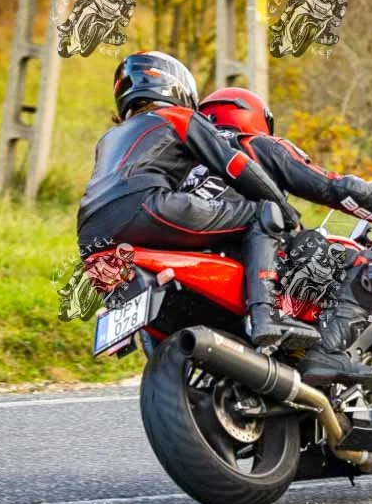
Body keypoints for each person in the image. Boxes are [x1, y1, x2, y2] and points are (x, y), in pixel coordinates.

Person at [198, 87, 372, 386]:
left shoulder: (191, 162)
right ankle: (327, 352)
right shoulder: (255, 145)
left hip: (211, 260)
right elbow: (340, 188)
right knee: (367, 267)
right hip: (262, 258)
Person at [76, 52, 315, 349]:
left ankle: (146, 334)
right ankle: (265, 316)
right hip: (145, 206)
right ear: (177, 86)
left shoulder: (109, 139)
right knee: (260, 213)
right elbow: (235, 165)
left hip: (90, 235)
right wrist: (283, 211)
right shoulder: (178, 117)